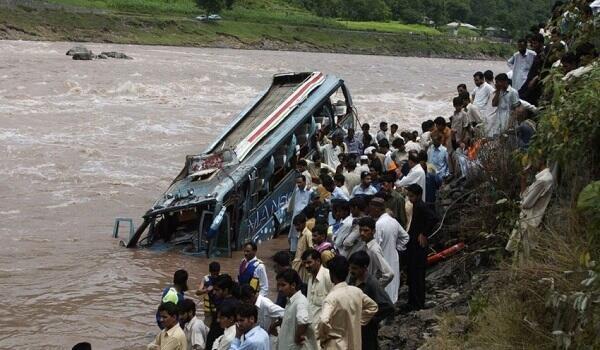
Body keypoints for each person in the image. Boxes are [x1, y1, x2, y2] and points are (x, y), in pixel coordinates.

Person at [317, 256, 378, 350]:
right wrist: (357, 321)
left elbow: (324, 320)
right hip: (354, 342)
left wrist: (323, 338)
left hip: (335, 344)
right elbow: (373, 307)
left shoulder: (331, 298)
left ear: (331, 274)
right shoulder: (356, 291)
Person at [505, 158, 554, 263]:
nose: (530, 163)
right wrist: (523, 178)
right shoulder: (541, 178)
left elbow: (525, 203)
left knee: (524, 258)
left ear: (540, 160)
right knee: (521, 256)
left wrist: (523, 178)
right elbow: (524, 196)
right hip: (528, 221)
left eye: (532, 160)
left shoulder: (543, 180)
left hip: (529, 223)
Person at [348, 251, 395, 350]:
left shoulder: (372, 283)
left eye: (355, 268)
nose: (351, 271)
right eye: (350, 267)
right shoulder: (352, 279)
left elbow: (388, 306)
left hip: (367, 329)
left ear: (364, 268)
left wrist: (372, 318)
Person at [404, 184, 436, 311]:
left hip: (418, 247)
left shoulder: (421, 206)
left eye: (411, 196)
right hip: (413, 245)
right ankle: (413, 301)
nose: (410, 199)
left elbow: (434, 218)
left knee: (417, 275)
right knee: (412, 274)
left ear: (418, 195)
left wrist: (424, 233)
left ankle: (418, 303)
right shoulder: (416, 206)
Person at [370, 198, 408, 304]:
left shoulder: (378, 225)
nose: (370, 212)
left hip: (381, 260)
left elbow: (375, 245)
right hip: (393, 257)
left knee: (383, 286)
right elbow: (405, 237)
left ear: (377, 209)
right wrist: (396, 247)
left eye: (371, 209)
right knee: (393, 286)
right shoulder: (393, 221)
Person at [276, 269, 318, 350]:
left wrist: (297, 337)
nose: (280, 289)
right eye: (278, 285)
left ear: (293, 285)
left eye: (283, 285)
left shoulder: (300, 302)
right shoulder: (291, 300)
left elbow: (303, 321)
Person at [302, 248, 334, 334]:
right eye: (304, 263)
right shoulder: (310, 277)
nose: (306, 266)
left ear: (318, 261)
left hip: (323, 330)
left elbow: (334, 303)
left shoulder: (328, 276)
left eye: (309, 262)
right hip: (311, 328)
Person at [357, 217, 394, 289]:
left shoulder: (374, 249)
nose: (362, 233)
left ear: (373, 231)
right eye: (360, 230)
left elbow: (389, 274)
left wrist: (375, 288)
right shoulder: (364, 246)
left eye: (366, 230)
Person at [206, 275, 240, 350]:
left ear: (226, 290)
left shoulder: (226, 305)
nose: (214, 292)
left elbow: (218, 329)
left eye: (217, 290)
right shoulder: (235, 302)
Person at [288, 175, 313, 255]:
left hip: (304, 219)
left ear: (305, 182)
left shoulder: (310, 191)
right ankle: (293, 253)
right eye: (297, 182)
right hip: (295, 217)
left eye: (300, 182)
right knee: (293, 236)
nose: (298, 184)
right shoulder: (296, 189)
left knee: (303, 236)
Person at [197, 262, 221, 327]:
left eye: (217, 273)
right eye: (214, 274)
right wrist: (206, 290)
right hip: (208, 311)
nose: (215, 276)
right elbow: (198, 292)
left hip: (218, 309)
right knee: (207, 327)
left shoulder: (221, 278)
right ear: (210, 272)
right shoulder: (205, 279)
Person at [291, 214, 313, 282]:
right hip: (298, 264)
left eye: (298, 225)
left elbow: (311, 249)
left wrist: (305, 261)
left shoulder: (308, 234)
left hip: (303, 265)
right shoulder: (301, 234)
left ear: (304, 223)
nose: (296, 227)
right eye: (295, 225)